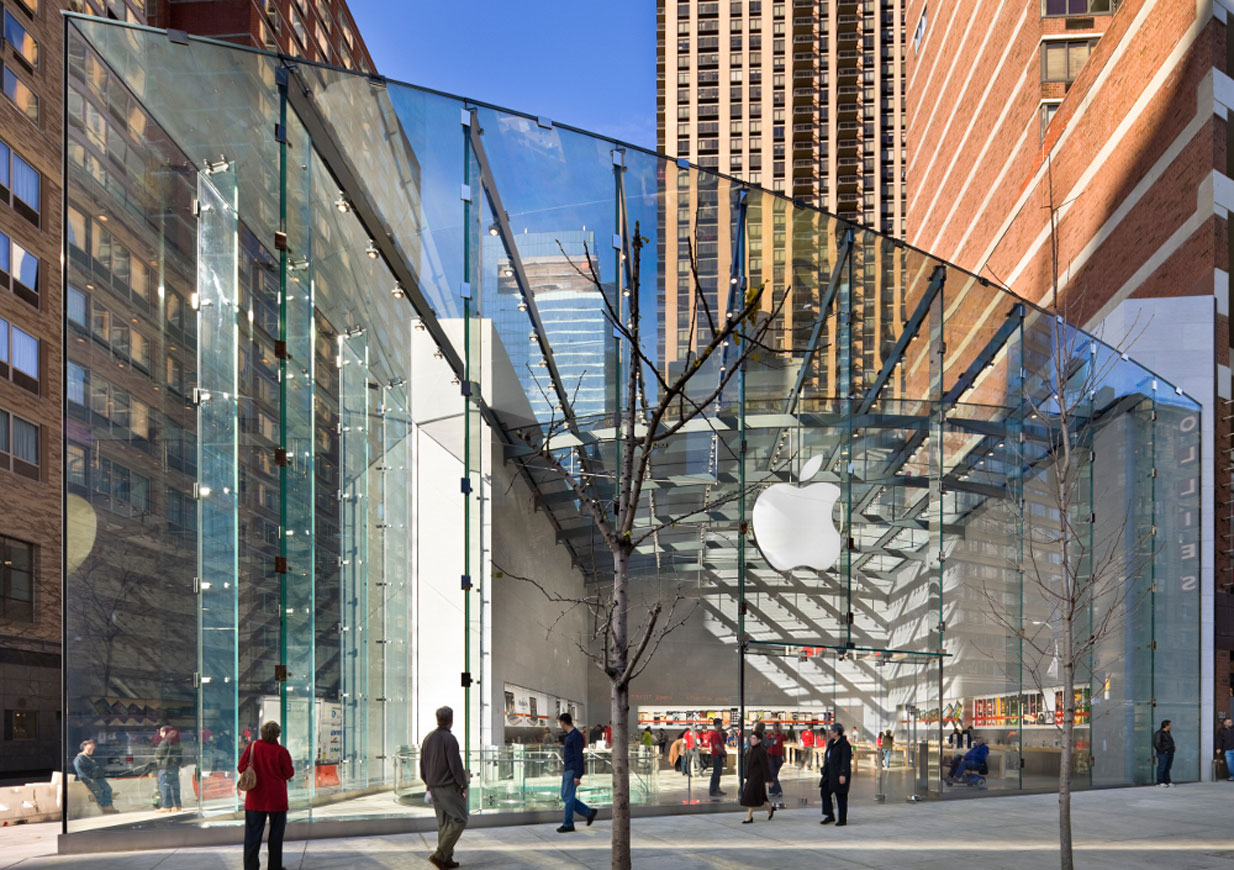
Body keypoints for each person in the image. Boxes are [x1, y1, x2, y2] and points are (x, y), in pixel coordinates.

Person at [238, 721, 295, 870]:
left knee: (252, 836)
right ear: (277, 734)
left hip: (255, 799)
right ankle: (274, 867)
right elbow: (289, 773)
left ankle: (251, 867)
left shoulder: (253, 747)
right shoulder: (282, 751)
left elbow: (240, 767)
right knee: (276, 837)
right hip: (277, 799)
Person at [420, 706, 470, 869]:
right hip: (448, 787)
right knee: (459, 819)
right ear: (451, 720)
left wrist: (428, 783)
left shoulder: (428, 738)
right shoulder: (450, 739)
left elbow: (423, 765)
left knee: (444, 823)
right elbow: (455, 765)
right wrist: (463, 784)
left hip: (433, 786)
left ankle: (446, 859)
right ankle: (440, 855)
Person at [556, 712, 598, 833]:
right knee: (565, 796)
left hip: (572, 769)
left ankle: (568, 823)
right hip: (568, 768)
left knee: (568, 798)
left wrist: (578, 774)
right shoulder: (570, 735)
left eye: (560, 722)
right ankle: (588, 812)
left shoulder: (575, 736)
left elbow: (579, 756)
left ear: (563, 722)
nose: (560, 725)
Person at [73, 739, 118, 814]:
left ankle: (108, 806)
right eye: (89, 748)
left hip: (97, 777)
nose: (91, 750)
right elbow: (81, 772)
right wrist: (89, 780)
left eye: (92, 749)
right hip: (92, 778)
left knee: (107, 789)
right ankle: (106, 806)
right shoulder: (80, 758)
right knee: (101, 791)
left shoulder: (88, 758)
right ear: (84, 747)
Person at [819, 723, 852, 826]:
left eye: (831, 731)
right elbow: (828, 757)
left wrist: (843, 774)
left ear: (836, 732)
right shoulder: (831, 743)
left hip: (838, 774)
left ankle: (842, 819)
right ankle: (830, 814)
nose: (829, 732)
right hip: (829, 774)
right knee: (824, 792)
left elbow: (845, 760)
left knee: (841, 796)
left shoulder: (844, 745)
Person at [739, 730, 775, 823]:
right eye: (751, 738)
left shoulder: (761, 751)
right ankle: (770, 810)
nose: (751, 740)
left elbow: (765, 766)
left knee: (750, 795)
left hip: (757, 778)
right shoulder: (752, 750)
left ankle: (749, 816)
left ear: (759, 740)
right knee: (760, 798)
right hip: (751, 776)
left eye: (754, 738)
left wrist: (769, 779)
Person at [154, 726, 183, 812]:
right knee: (175, 787)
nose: (160, 734)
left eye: (161, 732)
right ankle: (177, 805)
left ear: (165, 732)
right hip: (174, 767)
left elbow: (159, 755)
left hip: (165, 767)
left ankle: (167, 806)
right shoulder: (177, 742)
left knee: (165, 787)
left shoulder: (165, 742)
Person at [705, 717, 727, 797]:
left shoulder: (717, 733)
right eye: (721, 724)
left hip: (718, 755)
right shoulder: (714, 734)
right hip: (717, 755)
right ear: (717, 725)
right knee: (716, 773)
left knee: (718, 773)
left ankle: (717, 789)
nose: (722, 726)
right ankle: (713, 790)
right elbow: (717, 746)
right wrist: (723, 752)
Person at [765, 722, 786, 797]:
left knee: (774, 773)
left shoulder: (781, 736)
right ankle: (775, 790)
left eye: (777, 728)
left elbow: (785, 738)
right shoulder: (769, 735)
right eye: (775, 727)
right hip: (770, 756)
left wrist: (781, 730)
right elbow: (766, 744)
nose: (776, 729)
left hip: (778, 756)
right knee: (772, 773)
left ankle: (774, 790)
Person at [1154, 719, 1175, 787]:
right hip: (1164, 753)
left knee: (1167, 768)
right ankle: (1160, 782)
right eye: (1170, 724)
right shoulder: (1159, 733)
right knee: (1162, 767)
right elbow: (1157, 744)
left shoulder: (1168, 733)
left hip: (1170, 753)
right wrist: (1163, 751)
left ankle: (1167, 781)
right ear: (1166, 725)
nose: (1171, 726)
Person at [1216, 717, 1234, 782]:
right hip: (1228, 750)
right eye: (1229, 722)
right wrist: (1218, 748)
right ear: (1225, 723)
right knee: (1230, 765)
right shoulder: (1221, 731)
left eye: (1231, 722)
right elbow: (1219, 740)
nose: (1231, 723)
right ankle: (1232, 776)